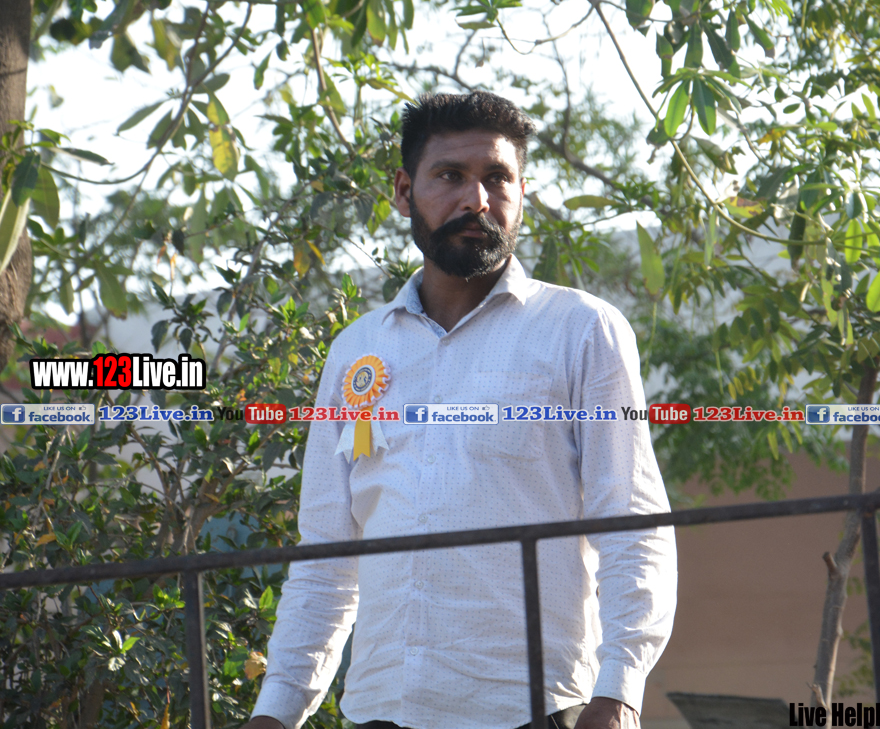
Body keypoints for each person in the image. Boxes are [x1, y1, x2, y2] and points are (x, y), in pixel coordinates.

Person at [240, 91, 677, 729]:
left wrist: (619, 692)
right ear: (403, 191)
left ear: (522, 193)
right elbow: (326, 555)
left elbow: (632, 523)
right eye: (450, 176)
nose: (476, 199)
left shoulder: (583, 330)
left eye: (497, 178)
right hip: (382, 710)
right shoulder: (356, 351)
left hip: (534, 707)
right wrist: (276, 711)